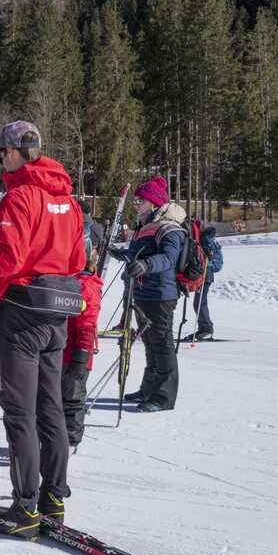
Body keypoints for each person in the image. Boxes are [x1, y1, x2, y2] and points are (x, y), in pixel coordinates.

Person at [0, 120, 85, 538]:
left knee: (20, 412)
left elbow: (6, 261)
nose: (0, 160)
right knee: (51, 408)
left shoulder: (20, 197)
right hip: (57, 309)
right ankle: (53, 498)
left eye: (0, 153)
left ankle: (25, 507)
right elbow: (78, 260)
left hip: (22, 309)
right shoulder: (68, 199)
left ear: (13, 152)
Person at [113, 176, 186, 412]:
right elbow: (139, 254)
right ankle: (149, 389)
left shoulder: (170, 227)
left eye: (140, 201)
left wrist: (146, 265)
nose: (136, 205)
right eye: (135, 201)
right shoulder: (144, 227)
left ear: (154, 203)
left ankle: (163, 397)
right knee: (149, 342)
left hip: (161, 294)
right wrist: (121, 254)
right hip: (142, 291)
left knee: (162, 343)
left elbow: (168, 258)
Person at [61, 238, 102, 449]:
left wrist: (82, 354)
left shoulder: (86, 286)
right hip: (61, 351)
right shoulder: (71, 281)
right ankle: (55, 436)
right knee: (56, 396)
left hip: (75, 354)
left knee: (72, 397)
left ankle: (71, 437)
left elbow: (88, 324)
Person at [190, 225, 223, 341]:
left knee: (199, 302)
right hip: (202, 275)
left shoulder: (207, 242)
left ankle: (207, 329)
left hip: (205, 276)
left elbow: (215, 263)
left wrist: (208, 259)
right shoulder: (204, 240)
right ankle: (203, 328)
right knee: (199, 302)